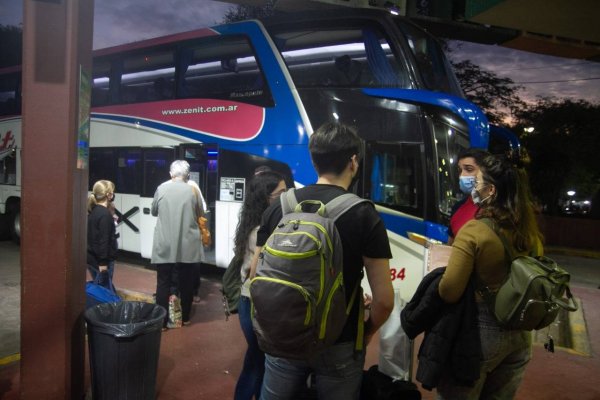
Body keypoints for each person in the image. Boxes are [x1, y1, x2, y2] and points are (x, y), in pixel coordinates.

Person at [250, 122, 395, 400]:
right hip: (340, 341)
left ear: (314, 159)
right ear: (353, 161)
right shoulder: (364, 215)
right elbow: (385, 300)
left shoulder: (279, 207)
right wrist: (365, 333)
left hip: (285, 335)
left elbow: (255, 273)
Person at [437, 154, 543, 399]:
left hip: (480, 330)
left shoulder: (475, 230)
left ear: (491, 190)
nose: (473, 185)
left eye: (478, 181)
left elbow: (449, 290)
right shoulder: (527, 229)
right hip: (520, 331)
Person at [233, 169, 286, 400]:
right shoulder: (260, 231)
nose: (285, 199)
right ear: (266, 198)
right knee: (256, 361)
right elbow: (257, 271)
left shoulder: (253, 223)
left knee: (257, 359)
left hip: (251, 301)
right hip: (254, 303)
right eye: (280, 194)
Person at [151, 160, 204, 329]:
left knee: (163, 282)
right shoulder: (193, 191)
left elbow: (154, 211)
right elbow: (200, 213)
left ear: (171, 174)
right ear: (187, 175)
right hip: (187, 243)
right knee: (186, 283)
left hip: (165, 242)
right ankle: (186, 318)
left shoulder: (161, 189)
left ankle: (163, 322)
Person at [447, 148, 490, 244]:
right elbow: (450, 247)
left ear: (485, 173)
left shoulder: (496, 211)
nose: (462, 175)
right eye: (460, 170)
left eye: (469, 169)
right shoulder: (457, 207)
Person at [87, 180, 118, 287]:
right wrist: (103, 263)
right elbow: (104, 241)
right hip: (101, 261)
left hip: (92, 258)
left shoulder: (93, 210)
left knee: (101, 289)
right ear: (108, 195)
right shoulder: (105, 215)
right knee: (106, 291)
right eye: (112, 192)